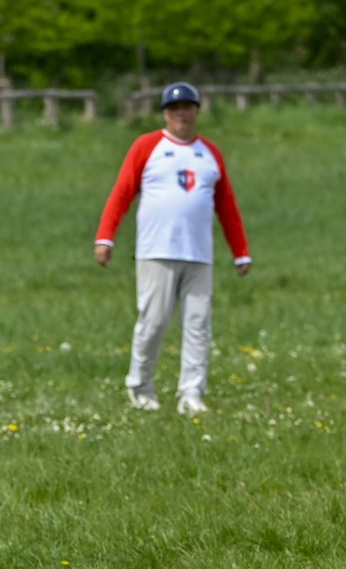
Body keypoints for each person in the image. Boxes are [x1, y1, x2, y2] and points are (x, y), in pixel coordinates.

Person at [94, 81, 252, 415]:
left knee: (198, 324)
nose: (181, 114)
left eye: (187, 108)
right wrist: (106, 237)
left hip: (198, 254)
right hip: (157, 250)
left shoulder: (209, 153)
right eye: (174, 109)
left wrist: (240, 251)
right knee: (154, 321)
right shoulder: (147, 146)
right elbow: (122, 193)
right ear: (166, 113)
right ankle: (140, 387)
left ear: (196, 112)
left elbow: (226, 206)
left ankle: (191, 393)